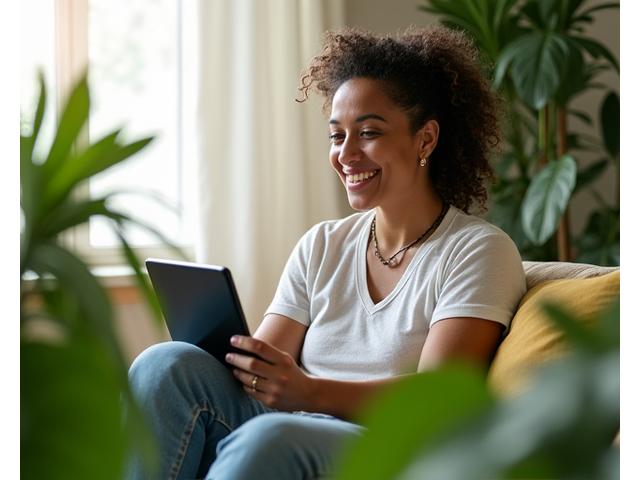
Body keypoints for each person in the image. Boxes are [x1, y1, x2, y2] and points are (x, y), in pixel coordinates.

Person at [126, 26, 526, 480]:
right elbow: (266, 365)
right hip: (289, 422)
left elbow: (437, 397)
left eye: (369, 132)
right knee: (163, 363)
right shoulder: (322, 244)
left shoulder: (477, 250)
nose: (346, 154)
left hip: (383, 445)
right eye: (337, 136)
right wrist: (238, 355)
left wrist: (309, 393)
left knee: (271, 437)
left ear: (426, 140)